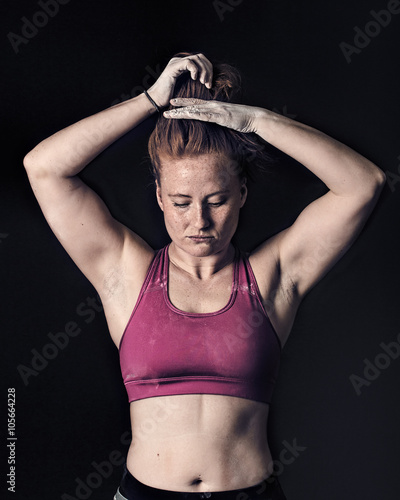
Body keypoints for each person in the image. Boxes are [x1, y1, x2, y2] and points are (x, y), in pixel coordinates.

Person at [23, 52, 386, 500]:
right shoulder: (126, 272)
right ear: (159, 196)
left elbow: (362, 184)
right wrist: (150, 100)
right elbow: (44, 168)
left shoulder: (273, 277)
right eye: (181, 202)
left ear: (242, 194)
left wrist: (255, 122)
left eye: (217, 200)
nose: (199, 220)